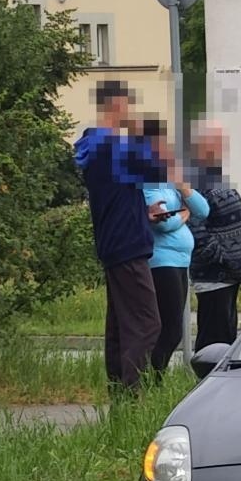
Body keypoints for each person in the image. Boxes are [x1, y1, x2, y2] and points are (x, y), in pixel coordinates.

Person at [73, 81, 166, 393]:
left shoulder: (97, 148)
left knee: (120, 324)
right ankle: (131, 392)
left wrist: (142, 211)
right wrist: (140, 133)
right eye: (129, 106)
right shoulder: (113, 147)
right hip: (128, 246)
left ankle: (118, 391)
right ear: (117, 105)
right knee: (147, 323)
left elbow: (118, 195)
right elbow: (156, 168)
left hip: (115, 244)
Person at [140, 118, 209, 373]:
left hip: (180, 261)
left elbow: (203, 210)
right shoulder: (148, 182)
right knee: (169, 328)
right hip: (162, 261)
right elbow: (162, 223)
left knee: (173, 328)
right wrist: (183, 215)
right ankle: (152, 377)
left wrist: (184, 189)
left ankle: (153, 376)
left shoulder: (171, 183)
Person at [188, 119, 241, 349]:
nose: (221, 147)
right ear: (200, 146)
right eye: (216, 142)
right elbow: (195, 227)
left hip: (228, 275)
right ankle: (207, 372)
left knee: (226, 336)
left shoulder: (213, 175)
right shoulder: (195, 179)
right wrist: (222, 257)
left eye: (222, 142)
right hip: (215, 275)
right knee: (214, 339)